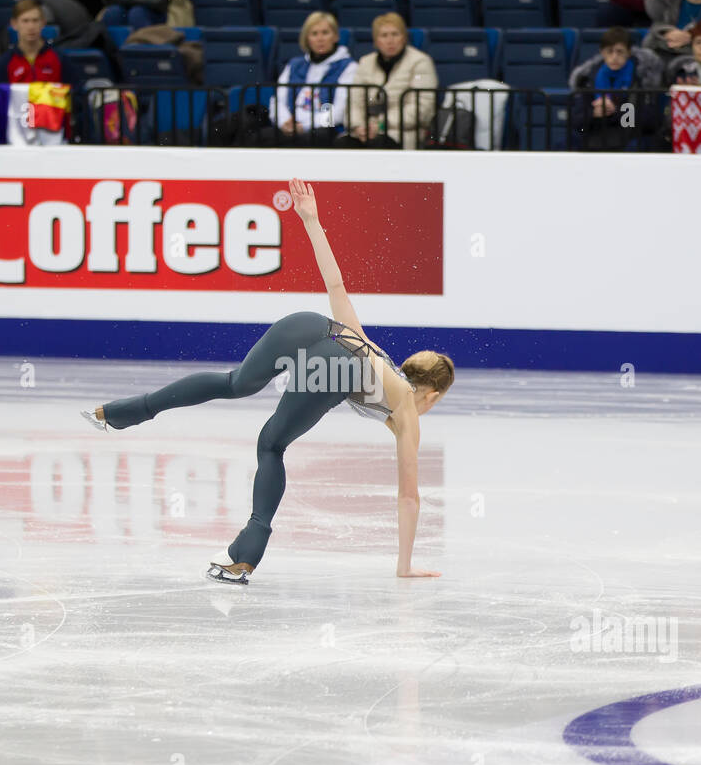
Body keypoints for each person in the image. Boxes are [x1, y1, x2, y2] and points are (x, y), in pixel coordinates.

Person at [82, 179, 453, 585]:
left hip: (311, 324)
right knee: (271, 445)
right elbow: (409, 497)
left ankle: (123, 412)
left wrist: (311, 219)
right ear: (432, 395)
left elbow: (336, 285)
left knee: (235, 382)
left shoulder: (377, 350)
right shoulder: (405, 410)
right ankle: (246, 552)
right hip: (339, 364)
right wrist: (404, 566)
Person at [339, 13, 437, 150]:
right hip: (367, 130)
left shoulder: (420, 62)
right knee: (344, 143)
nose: (390, 40)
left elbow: (422, 108)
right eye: (384, 35)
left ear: (404, 37)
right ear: (376, 41)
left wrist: (380, 124)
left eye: (395, 34)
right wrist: (359, 126)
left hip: (403, 131)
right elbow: (354, 102)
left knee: (380, 143)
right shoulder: (365, 62)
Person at [267, 11, 358, 147]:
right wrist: (284, 122)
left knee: (313, 138)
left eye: (325, 33)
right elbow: (278, 100)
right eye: (314, 34)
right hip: (291, 127)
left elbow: (339, 111)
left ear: (335, 36)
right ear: (307, 38)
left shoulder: (349, 67)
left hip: (325, 129)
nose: (320, 38)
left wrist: (305, 125)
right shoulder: (294, 65)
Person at [568, 25, 663, 149]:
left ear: (629, 52)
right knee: (569, 142)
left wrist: (615, 112)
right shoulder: (588, 79)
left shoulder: (641, 78)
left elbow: (650, 122)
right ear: (602, 53)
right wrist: (593, 114)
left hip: (630, 138)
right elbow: (577, 123)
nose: (614, 57)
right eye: (609, 51)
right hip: (595, 137)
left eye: (619, 51)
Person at [0, 0, 64, 82]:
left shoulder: (59, 58)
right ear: (14, 24)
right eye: (25, 21)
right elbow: (0, 94)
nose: (31, 27)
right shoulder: (5, 62)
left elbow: (74, 92)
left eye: (35, 20)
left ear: (43, 23)